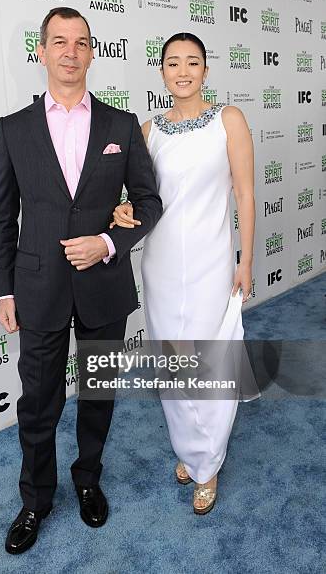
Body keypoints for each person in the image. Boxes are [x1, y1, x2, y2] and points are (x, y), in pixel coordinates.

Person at [0, 6, 162, 554]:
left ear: (92, 52)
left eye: (81, 42)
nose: (70, 51)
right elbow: (2, 217)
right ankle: (35, 500)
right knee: (38, 401)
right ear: (41, 52)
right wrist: (5, 288)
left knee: (98, 392)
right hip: (36, 286)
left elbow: (149, 202)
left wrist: (109, 241)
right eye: (59, 42)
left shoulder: (119, 125)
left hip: (103, 284)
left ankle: (88, 478)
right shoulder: (13, 129)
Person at [110, 32, 255, 515]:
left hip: (214, 259)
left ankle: (208, 461)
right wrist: (125, 210)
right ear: (162, 73)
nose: (183, 70)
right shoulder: (148, 131)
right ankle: (191, 451)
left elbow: (246, 195)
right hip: (162, 263)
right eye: (173, 63)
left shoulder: (229, 119)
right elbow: (142, 199)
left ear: (206, 70)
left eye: (193, 62)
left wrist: (246, 259)